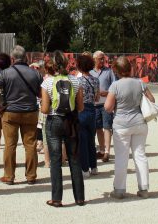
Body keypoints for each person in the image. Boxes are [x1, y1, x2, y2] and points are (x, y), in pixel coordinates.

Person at [104, 56, 154, 199]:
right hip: (139, 122)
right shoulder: (140, 83)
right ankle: (144, 188)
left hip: (122, 125)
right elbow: (152, 100)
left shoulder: (115, 85)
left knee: (121, 157)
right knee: (140, 155)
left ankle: (119, 190)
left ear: (117, 71)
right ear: (130, 68)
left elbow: (108, 107)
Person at [0, 45, 43, 185]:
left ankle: (9, 176)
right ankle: (31, 176)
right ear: (25, 57)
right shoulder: (35, 73)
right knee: (31, 145)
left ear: (12, 59)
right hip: (31, 112)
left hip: (10, 112)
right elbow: (40, 93)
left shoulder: (5, 73)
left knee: (10, 145)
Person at [40, 51, 85, 207]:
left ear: (53, 65)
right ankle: (79, 198)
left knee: (55, 160)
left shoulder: (47, 83)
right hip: (71, 121)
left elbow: (45, 109)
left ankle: (57, 198)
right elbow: (80, 107)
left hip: (54, 120)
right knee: (74, 159)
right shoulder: (76, 81)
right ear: (67, 64)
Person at [75, 53, 99, 177]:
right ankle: (94, 166)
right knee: (91, 140)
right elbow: (97, 97)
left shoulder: (77, 81)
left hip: (81, 110)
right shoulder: (95, 80)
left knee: (82, 141)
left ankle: (84, 169)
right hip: (92, 110)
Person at [90, 51, 116, 162]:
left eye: (103, 59)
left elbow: (115, 86)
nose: (102, 61)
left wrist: (108, 92)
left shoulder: (109, 71)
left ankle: (107, 152)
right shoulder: (90, 72)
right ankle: (101, 150)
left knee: (107, 127)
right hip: (94, 105)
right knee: (98, 128)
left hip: (106, 105)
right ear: (94, 59)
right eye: (100, 58)